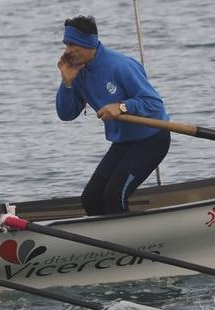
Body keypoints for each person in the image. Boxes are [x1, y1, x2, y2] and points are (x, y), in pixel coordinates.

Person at [56, 14, 170, 214]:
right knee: (91, 199)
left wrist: (122, 107)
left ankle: (135, 243)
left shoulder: (121, 65)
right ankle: (103, 242)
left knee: (114, 196)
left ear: (88, 43)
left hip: (152, 139)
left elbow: (153, 103)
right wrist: (67, 83)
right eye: (66, 44)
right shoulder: (78, 72)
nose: (68, 51)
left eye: (73, 45)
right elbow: (66, 114)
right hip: (124, 142)